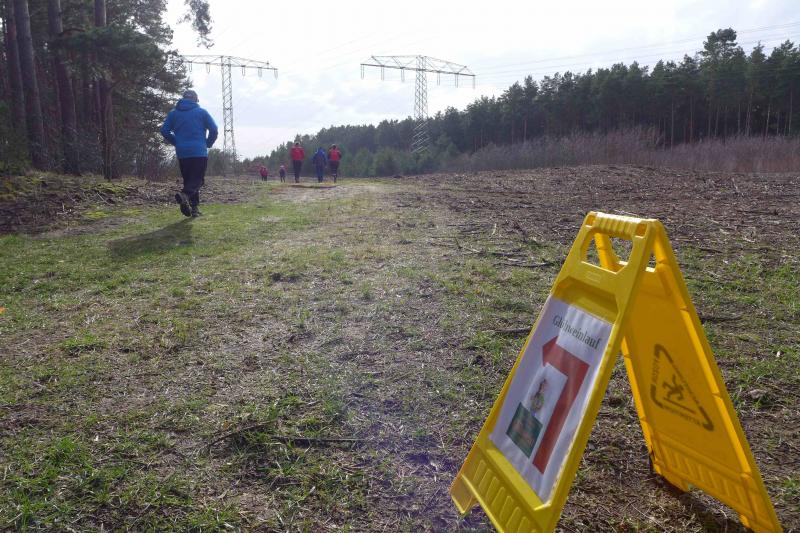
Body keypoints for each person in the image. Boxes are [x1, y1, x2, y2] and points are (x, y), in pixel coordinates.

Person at [160, 90, 218, 217]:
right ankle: (184, 195)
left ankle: (193, 208)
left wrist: (177, 142)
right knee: (198, 180)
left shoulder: (173, 113)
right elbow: (214, 129)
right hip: (199, 152)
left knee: (189, 180)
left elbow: (164, 130)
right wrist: (208, 143)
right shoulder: (202, 112)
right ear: (196, 99)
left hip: (182, 153)